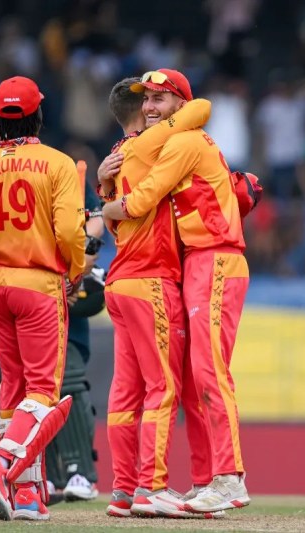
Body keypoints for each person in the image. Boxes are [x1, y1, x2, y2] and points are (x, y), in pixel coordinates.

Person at [102, 68, 251, 514]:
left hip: (215, 257)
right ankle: (207, 480)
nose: (150, 107)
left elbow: (140, 201)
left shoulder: (182, 143)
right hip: (196, 263)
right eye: (146, 99)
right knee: (193, 380)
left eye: (160, 99)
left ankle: (229, 479)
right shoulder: (174, 139)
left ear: (179, 106)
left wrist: (104, 206)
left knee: (208, 372)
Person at [0, 75, 85, 522]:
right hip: (40, 283)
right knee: (42, 391)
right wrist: (75, 269)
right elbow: (70, 232)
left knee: (13, 388)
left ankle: (26, 496)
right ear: (38, 115)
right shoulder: (59, 164)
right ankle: (1, 462)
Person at [45, 181, 106, 503]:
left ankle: (79, 472)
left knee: (69, 381)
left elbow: (96, 219)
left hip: (60, 293)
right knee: (34, 388)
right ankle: (46, 476)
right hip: (30, 288)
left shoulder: (67, 175)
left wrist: (78, 270)